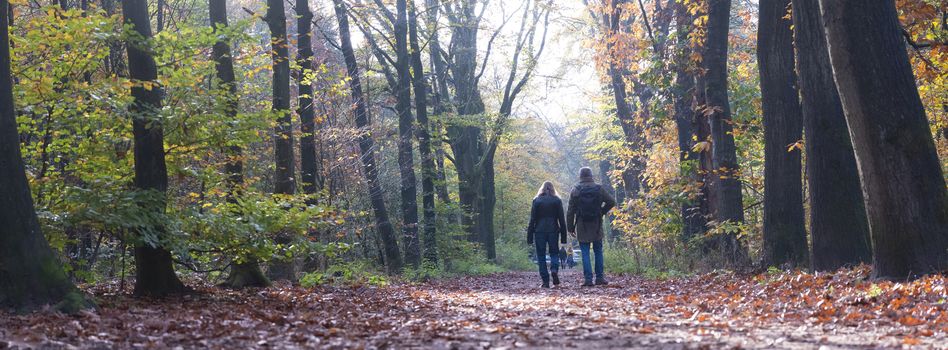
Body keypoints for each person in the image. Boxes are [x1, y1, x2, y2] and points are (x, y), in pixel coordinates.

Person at [566, 167, 616, 287]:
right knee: (598, 250)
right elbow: (612, 201)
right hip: (596, 224)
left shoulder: (576, 189)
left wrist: (570, 227)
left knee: (585, 252)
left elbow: (570, 211)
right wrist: (602, 212)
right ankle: (599, 278)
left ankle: (588, 279)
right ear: (591, 175)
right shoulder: (598, 188)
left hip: (581, 224)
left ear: (580, 176)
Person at [527, 181, 568, 288]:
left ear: (542, 189)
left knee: (541, 256)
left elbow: (532, 220)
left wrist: (529, 236)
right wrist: (563, 237)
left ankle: (545, 281)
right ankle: (554, 269)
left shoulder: (536, 201)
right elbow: (561, 220)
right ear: (553, 189)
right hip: (553, 230)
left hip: (539, 231)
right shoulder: (557, 200)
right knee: (554, 253)